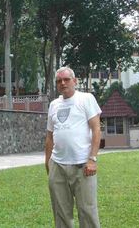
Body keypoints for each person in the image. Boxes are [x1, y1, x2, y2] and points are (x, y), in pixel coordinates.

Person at [45, 66, 102, 228]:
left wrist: (92, 159)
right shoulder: (53, 105)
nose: (62, 83)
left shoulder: (86, 98)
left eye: (66, 79)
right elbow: (49, 136)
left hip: (82, 165)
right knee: (61, 213)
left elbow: (96, 129)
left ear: (75, 81)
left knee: (87, 211)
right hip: (58, 165)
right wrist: (47, 162)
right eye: (58, 81)